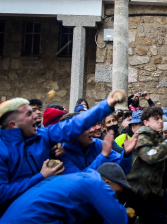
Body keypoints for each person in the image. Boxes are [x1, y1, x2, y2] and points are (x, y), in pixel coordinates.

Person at [0, 90, 124, 216]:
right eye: (28, 114)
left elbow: (73, 125)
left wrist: (107, 105)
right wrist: (41, 176)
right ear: (13, 124)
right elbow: (2, 194)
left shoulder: (43, 135)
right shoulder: (2, 150)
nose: (36, 115)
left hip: (45, 212)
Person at [0, 163, 129, 224]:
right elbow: (119, 220)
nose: (115, 197)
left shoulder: (73, 178)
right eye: (116, 193)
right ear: (106, 182)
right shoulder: (95, 183)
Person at [126, 107, 167, 224]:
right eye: (156, 119)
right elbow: (150, 156)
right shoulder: (142, 136)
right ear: (146, 122)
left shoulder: (158, 138)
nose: (160, 121)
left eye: (160, 118)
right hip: (137, 192)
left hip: (154, 191)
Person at [59, 112, 137, 175]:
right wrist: (103, 156)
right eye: (86, 127)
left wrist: (126, 154)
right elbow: (81, 182)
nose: (93, 130)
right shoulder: (62, 156)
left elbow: (121, 169)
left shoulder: (98, 144)